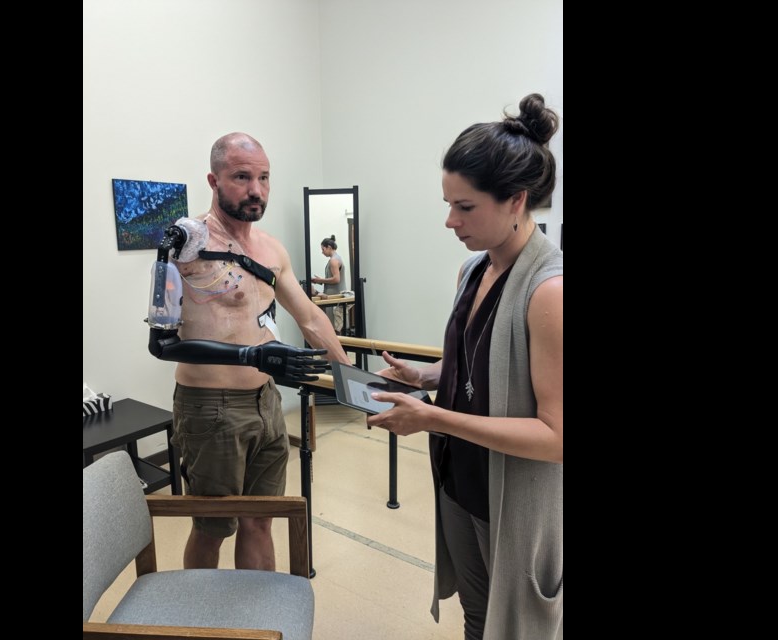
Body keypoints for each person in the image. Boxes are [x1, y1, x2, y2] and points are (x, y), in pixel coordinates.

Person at [366, 94, 563, 639]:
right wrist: (426, 377)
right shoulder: (472, 271)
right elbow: (482, 373)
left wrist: (433, 419)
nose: (450, 220)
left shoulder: (549, 293)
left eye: (466, 207)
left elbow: (555, 435)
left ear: (517, 199)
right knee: (478, 618)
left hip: (514, 496)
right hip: (459, 481)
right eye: (447, 203)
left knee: (518, 626)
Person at [168, 132, 351, 571]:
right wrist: (248, 357)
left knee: (260, 521)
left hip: (267, 402)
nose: (256, 189)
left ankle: (257, 619)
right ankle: (203, 622)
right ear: (214, 181)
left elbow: (309, 317)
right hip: (210, 409)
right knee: (212, 529)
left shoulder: (271, 250)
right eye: (242, 177)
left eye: (264, 178)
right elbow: (164, 341)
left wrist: (351, 381)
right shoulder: (185, 247)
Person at [311, 236, 346, 332]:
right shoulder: (336, 258)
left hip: (334, 296)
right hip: (333, 295)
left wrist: (321, 280)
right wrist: (321, 280)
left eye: (323, 249)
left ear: (329, 247)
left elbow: (336, 279)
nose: (322, 252)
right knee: (334, 325)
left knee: (333, 326)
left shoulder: (334, 260)